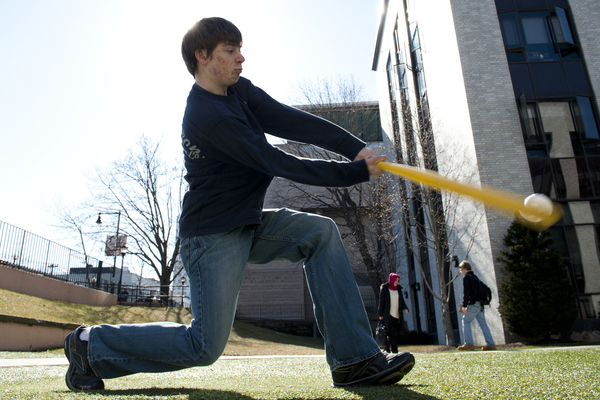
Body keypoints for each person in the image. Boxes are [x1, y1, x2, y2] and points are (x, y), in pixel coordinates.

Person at [63, 17, 415, 391]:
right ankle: (89, 347)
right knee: (203, 346)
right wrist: (355, 172)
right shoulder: (208, 116)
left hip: (246, 223)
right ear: (202, 56)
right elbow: (276, 162)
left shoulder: (238, 93)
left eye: (239, 50)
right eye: (230, 51)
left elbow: (288, 119)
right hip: (212, 236)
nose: (240, 59)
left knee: (320, 232)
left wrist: (353, 149)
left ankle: (354, 361)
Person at [457, 261, 496, 351]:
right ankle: (491, 344)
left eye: (461, 269)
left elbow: (466, 293)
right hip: (480, 305)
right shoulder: (475, 277)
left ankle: (469, 344)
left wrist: (464, 305)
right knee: (483, 324)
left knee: (465, 321)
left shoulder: (467, 278)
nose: (461, 271)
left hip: (473, 304)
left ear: (464, 268)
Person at [378, 273, 409, 353]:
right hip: (388, 315)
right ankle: (394, 351)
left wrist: (405, 308)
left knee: (393, 333)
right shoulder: (385, 289)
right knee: (391, 334)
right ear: (391, 280)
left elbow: (401, 301)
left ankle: (388, 349)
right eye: (396, 280)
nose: (397, 282)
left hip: (396, 315)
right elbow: (381, 302)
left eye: (398, 281)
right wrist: (380, 314)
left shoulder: (399, 289)